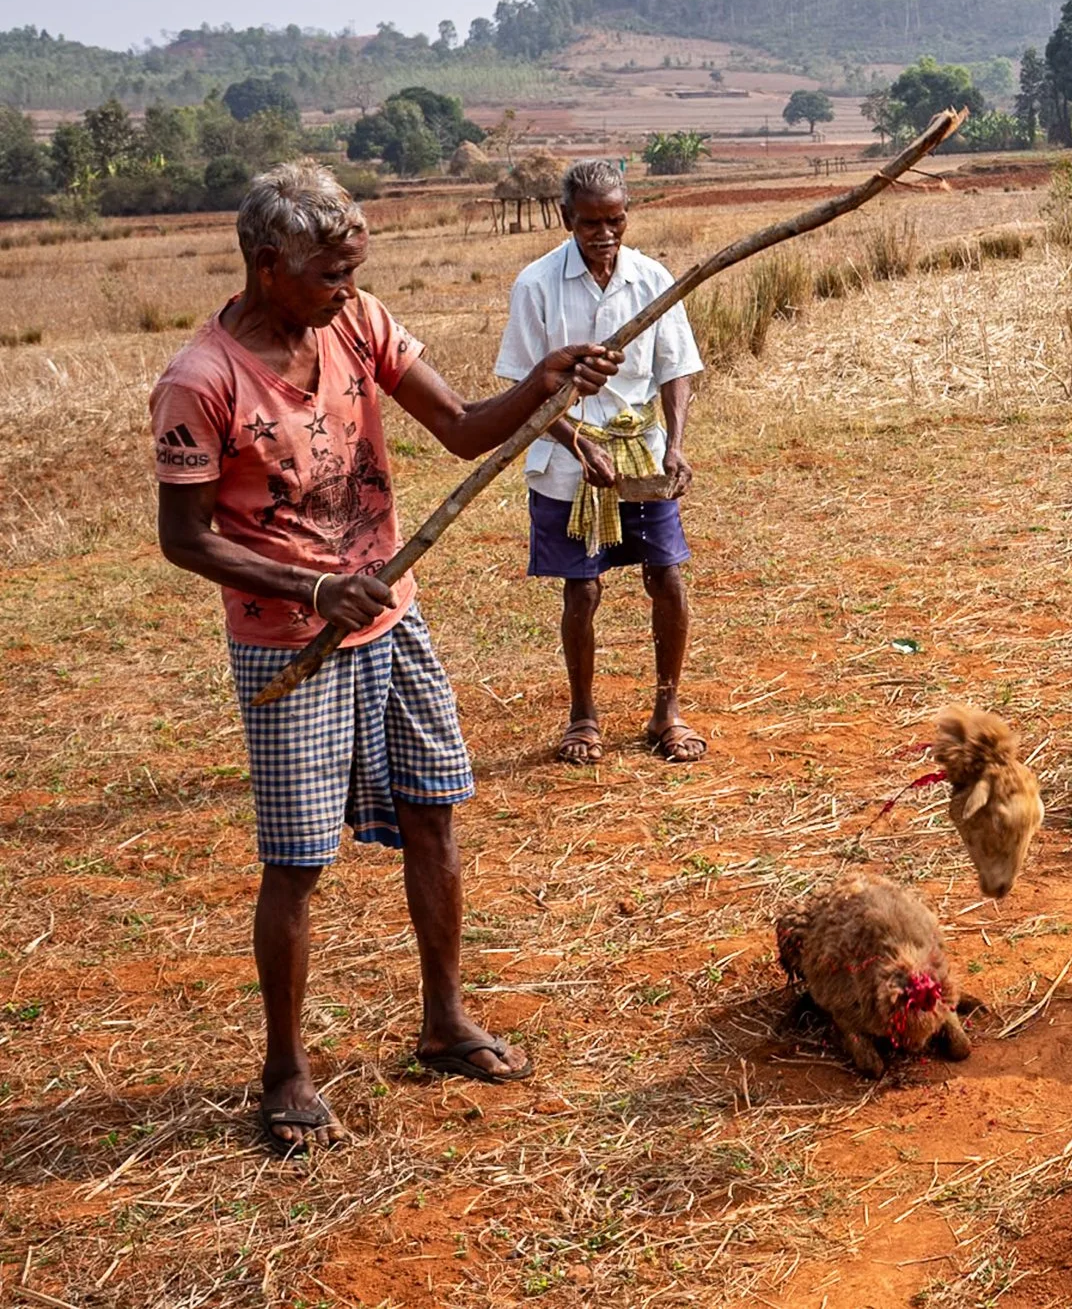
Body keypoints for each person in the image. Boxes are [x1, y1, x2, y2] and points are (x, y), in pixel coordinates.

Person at [150, 160, 619, 1154]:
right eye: (330, 272)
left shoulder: (359, 326)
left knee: (435, 809)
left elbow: (457, 429)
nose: (349, 288)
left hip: (391, 619)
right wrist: (312, 587)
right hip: (294, 642)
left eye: (356, 267)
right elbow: (185, 537)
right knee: (297, 859)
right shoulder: (202, 381)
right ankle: (285, 1070)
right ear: (268, 265)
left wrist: (541, 389)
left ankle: (443, 1021)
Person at [494, 159, 707, 765]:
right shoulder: (536, 285)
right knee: (581, 589)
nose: (606, 234)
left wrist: (676, 442)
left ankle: (667, 709)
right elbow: (523, 385)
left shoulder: (652, 279)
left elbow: (676, 370)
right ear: (567, 220)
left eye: (615, 220)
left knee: (665, 577)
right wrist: (572, 440)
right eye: (591, 223)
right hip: (569, 457)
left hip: (642, 450)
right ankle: (583, 715)